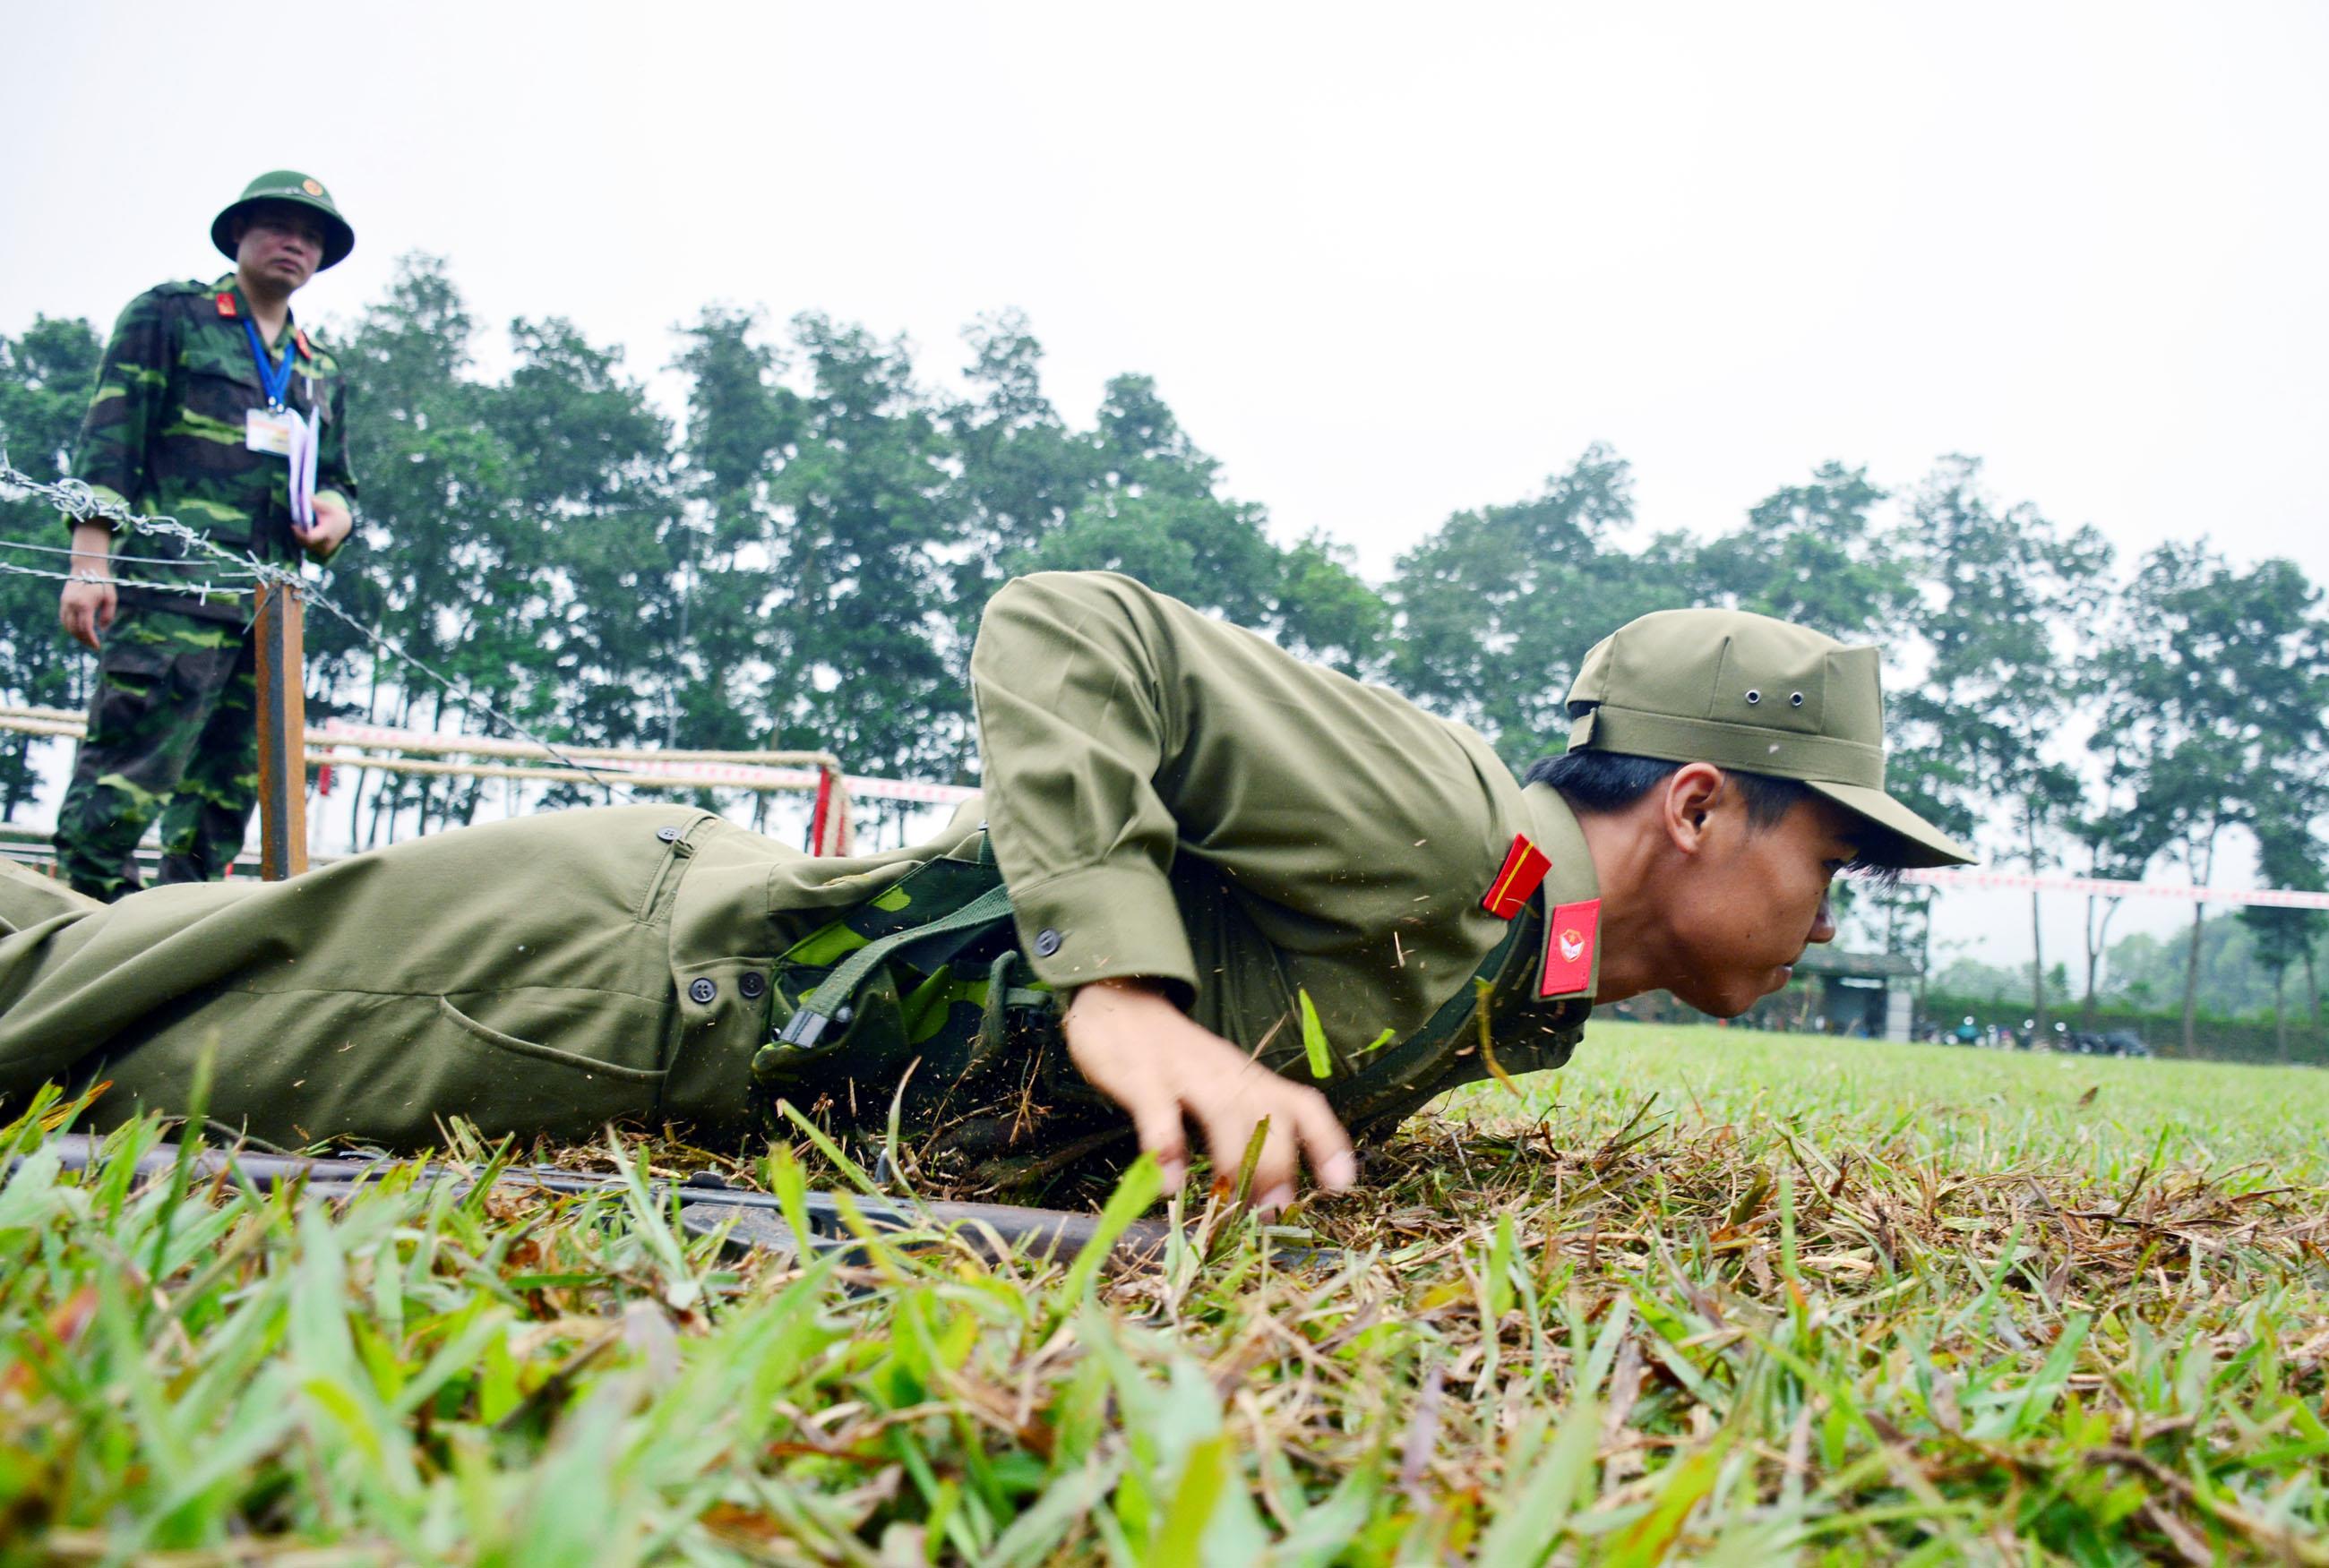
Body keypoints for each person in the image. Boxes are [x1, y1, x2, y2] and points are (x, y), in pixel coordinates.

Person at [2, 572, 1972, 1207]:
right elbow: (1070, 625)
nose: (1839, 909)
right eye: (1835, 853)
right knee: (54, 1013)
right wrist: (1120, 990)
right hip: (628, 976)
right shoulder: (1462, 827)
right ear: (1700, 804)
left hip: (697, 1002)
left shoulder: (1529, 946)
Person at [52, 171, 361, 902]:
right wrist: (89, 561)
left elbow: (340, 482)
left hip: (269, 617)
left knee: (225, 803)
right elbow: (110, 442)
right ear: (238, 234)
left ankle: (179, 949)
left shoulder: (318, 366)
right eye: (281, 226)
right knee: (124, 785)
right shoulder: (172, 317)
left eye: (313, 235)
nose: (297, 244)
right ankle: (76, 941)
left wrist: (336, 517)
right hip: (172, 602)